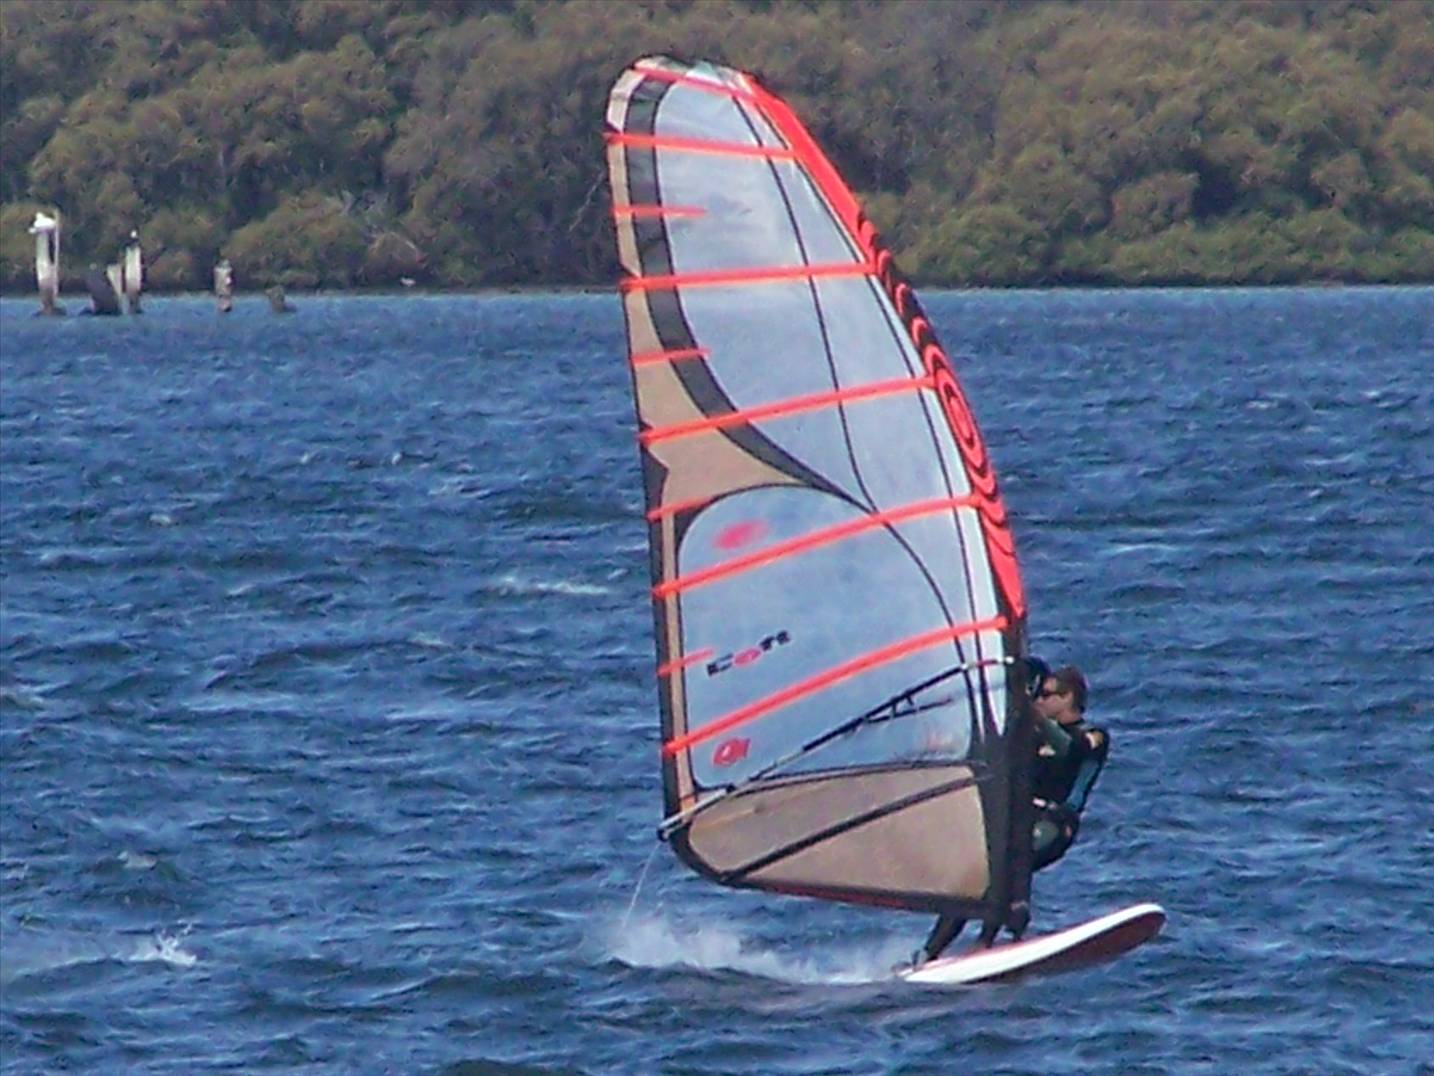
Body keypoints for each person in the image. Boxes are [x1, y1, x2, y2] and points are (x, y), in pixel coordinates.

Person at [914, 660, 1109, 965]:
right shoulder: (1032, 735)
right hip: (1021, 819)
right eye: (1037, 695)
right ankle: (927, 954)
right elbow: (986, 747)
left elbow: (1069, 748)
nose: (1040, 700)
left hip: (1056, 825)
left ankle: (988, 941)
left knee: (1006, 864)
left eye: (1046, 695)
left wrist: (1031, 712)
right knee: (975, 880)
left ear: (1068, 697)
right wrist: (942, 744)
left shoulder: (1094, 735)